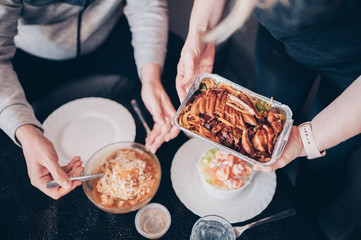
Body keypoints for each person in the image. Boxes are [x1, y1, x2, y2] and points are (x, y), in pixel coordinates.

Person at [176, 0, 361, 238]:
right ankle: (279, 183)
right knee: (269, 128)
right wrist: (199, 33)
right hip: (278, 39)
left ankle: (305, 214)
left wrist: (307, 140)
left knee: (325, 162)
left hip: (352, 64)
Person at [0, 0, 180, 199]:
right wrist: (24, 131)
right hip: (31, 55)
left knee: (174, 65)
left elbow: (147, 6)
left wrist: (151, 78)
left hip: (106, 37)